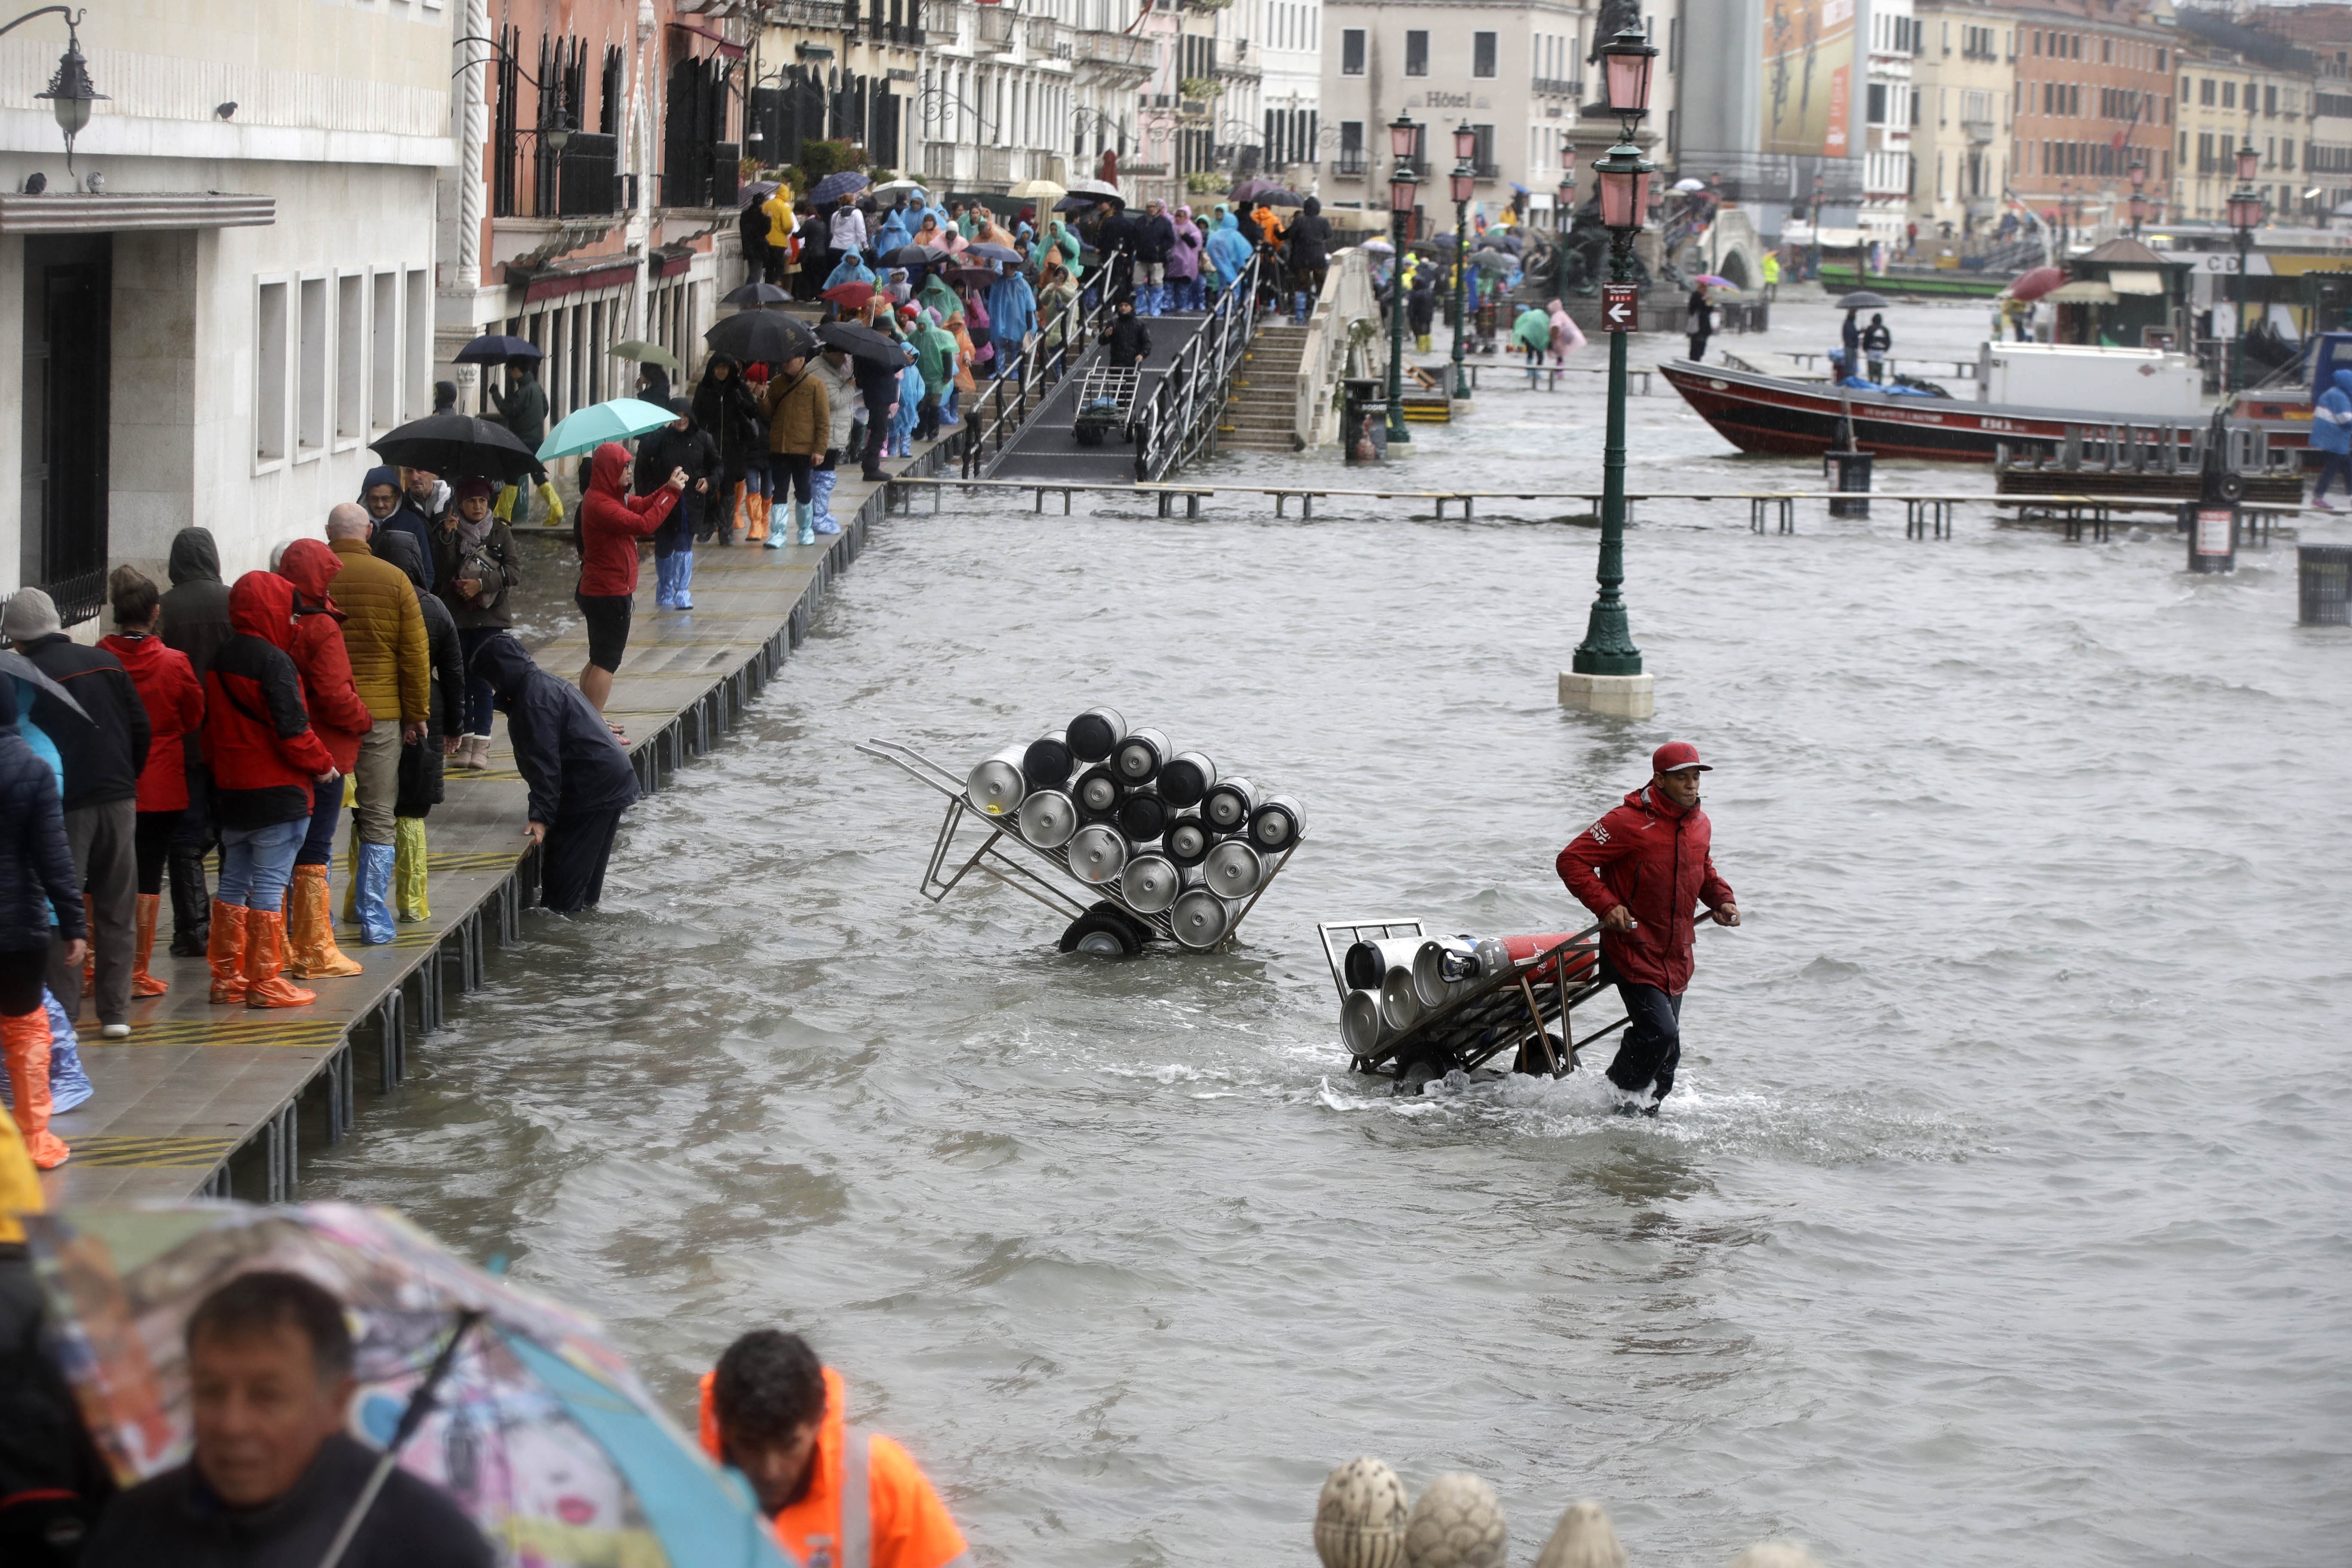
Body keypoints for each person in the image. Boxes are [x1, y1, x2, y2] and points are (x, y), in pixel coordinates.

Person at [80, 1271, 494, 1568]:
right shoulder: (133, 1525)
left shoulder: (432, 1544)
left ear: (336, 1402)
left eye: (267, 1397)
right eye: (210, 1391)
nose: (231, 1424)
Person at [1555, 741, 1740, 1116]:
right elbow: (1571, 861)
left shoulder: (1700, 824)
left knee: (1669, 1055)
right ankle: (1614, 1103)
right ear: (1659, 779)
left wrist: (1721, 899)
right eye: (1682, 778)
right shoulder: (1626, 822)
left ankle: (1640, 1123)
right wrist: (1607, 906)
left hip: (1677, 953)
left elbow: (1703, 870)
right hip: (1632, 950)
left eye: (1696, 778)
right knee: (1660, 1034)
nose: (1692, 785)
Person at [3, 588, 149, 1041]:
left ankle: (62, 1016)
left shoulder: (26, 675)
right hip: (120, 798)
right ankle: (115, 1013)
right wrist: (127, 777)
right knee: (117, 907)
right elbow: (141, 727)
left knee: (55, 910)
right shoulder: (107, 661)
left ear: (16, 638)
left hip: (66, 805)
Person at [698, 1329, 968, 1568]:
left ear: (820, 1421)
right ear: (722, 1426)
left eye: (790, 1445)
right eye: (750, 1446)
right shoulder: (677, 1481)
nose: (770, 1471)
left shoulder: (880, 1478)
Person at [202, 573, 341, 1010]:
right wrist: (325, 766)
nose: (294, 618)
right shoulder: (275, 662)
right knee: (269, 884)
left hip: (232, 790)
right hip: (276, 792)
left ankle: (227, 976)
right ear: (272, 610)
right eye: (289, 610)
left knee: (232, 882)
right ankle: (265, 980)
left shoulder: (220, 657)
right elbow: (294, 731)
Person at [469, 634, 639, 913]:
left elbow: (545, 764)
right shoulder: (542, 684)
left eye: (488, 679)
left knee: (561, 894)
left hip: (593, 789)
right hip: (609, 780)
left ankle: (566, 943)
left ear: (498, 675)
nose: (488, 687)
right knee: (586, 888)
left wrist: (540, 817)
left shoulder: (533, 701)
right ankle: (582, 928)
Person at [323, 504, 429, 946]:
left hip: (328, 716)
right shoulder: (396, 579)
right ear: (369, 531)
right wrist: (416, 714)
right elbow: (415, 655)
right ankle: (374, 919)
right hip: (383, 716)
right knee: (379, 815)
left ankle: (315, 921)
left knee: (321, 820)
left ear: (328, 533)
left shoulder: (317, 578)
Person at [96, 568, 203, 1002]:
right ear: (155, 612)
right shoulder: (174, 662)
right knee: (147, 874)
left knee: (99, 871)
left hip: (111, 775)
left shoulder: (101, 658)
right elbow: (195, 713)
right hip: (162, 779)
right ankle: (136, 970)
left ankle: (92, 965)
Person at [269, 540, 371, 980]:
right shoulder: (323, 628)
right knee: (316, 848)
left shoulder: (278, 622)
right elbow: (334, 693)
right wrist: (363, 719)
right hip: (327, 749)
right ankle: (314, 946)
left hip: (288, 749)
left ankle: (281, 942)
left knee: (283, 849)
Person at [0, 676, 83, 1169]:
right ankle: (33, 1139)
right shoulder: (31, 769)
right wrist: (73, 923)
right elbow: (54, 858)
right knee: (26, 1027)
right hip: (18, 930)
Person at [371, 532, 464, 922]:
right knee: (412, 809)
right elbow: (455, 671)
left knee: (370, 810)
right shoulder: (436, 608)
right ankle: (413, 904)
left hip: (376, 711)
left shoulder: (368, 602)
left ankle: (362, 905)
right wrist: (457, 726)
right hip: (428, 711)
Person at [158, 527, 232, 958]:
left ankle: (192, 929)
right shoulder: (230, 601)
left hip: (183, 739)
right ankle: (228, 921)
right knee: (229, 832)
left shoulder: (164, 609)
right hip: (226, 735)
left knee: (185, 837)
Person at [576, 441, 684, 718]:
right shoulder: (601, 504)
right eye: (624, 467)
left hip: (605, 591)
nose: (629, 472)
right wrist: (672, 494)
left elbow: (645, 505)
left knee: (598, 659)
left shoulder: (610, 497)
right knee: (606, 662)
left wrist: (668, 487)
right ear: (610, 470)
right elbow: (645, 524)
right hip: (607, 594)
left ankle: (588, 719)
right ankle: (594, 726)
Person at [432, 478, 521, 770]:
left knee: (483, 681)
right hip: (458, 618)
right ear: (460, 504)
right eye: (471, 501)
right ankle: (464, 743)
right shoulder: (450, 532)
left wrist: (481, 584)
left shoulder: (500, 531)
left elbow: (513, 573)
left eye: (482, 501)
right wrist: (447, 538)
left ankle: (482, 744)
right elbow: (442, 574)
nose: (478, 507)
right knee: (459, 681)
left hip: (490, 618)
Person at [636, 398, 719, 606]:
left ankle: (682, 592)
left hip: (689, 504)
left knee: (684, 547)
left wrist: (710, 482)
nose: (681, 420)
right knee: (663, 548)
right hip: (663, 504)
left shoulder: (704, 440)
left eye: (685, 415)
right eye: (677, 415)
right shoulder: (659, 440)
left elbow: (718, 466)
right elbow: (643, 460)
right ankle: (665, 588)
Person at [762, 351, 831, 550]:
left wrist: (820, 449)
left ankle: (805, 529)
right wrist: (762, 398)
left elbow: (823, 421)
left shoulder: (815, 385)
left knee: (803, 490)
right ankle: (778, 532)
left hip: (804, 449)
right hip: (780, 447)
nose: (785, 364)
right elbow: (768, 413)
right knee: (780, 490)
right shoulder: (776, 383)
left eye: (789, 360)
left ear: (801, 360)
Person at [693, 352, 763, 548]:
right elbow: (696, 416)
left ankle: (726, 531)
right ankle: (709, 523)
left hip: (734, 448)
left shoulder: (738, 387)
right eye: (718, 367)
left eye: (725, 367)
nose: (722, 371)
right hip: (710, 447)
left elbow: (753, 412)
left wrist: (741, 400)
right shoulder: (704, 389)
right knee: (707, 487)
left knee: (728, 490)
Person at [486, 361, 561, 528]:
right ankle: (557, 510)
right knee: (537, 474)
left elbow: (509, 410)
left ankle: (503, 517)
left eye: (509, 370)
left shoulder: (523, 391)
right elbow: (546, 408)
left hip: (521, 441)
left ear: (516, 369)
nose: (509, 374)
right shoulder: (537, 388)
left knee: (512, 477)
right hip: (536, 439)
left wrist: (495, 394)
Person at [810, 344, 859, 536]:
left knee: (823, 475)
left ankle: (820, 513)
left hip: (831, 431)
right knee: (822, 476)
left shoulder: (829, 368)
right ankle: (818, 517)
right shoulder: (821, 371)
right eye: (842, 354)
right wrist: (850, 387)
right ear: (832, 353)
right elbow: (835, 400)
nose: (845, 359)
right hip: (826, 433)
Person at [356, 466, 435, 573]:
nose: (380, 505)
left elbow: (426, 570)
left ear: (397, 496)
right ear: (366, 498)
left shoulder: (412, 523)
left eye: (386, 499)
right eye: (374, 499)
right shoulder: (356, 523)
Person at [1281, 195, 1333, 323]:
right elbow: (1329, 235)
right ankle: (1320, 315)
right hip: (1319, 258)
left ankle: (1300, 316)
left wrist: (1279, 234)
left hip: (1302, 258)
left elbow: (1290, 235)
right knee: (1321, 286)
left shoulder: (1299, 221)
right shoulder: (1324, 221)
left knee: (1302, 287)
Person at [984, 265, 1035, 378]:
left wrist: (1029, 324)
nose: (1003, 270)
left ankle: (1015, 371)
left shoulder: (1022, 284)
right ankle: (1000, 371)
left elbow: (1029, 305)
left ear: (1013, 269)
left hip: (1017, 321)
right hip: (1000, 320)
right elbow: (989, 296)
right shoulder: (998, 282)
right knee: (999, 346)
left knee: (1016, 347)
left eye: (1006, 267)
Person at [2312, 369, 2352, 510]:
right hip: (2334, 439)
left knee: (2348, 466)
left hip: (2332, 438)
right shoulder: (2339, 396)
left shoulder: (2335, 393)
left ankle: (2350, 497)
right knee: (2332, 468)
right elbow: (2345, 419)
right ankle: (2318, 497)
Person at [1512, 301, 1554, 384]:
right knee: (1540, 356)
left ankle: (1530, 372)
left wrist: (1523, 340)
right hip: (1539, 341)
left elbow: (1523, 331)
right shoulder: (1542, 321)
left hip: (1530, 341)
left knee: (1530, 355)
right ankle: (1538, 372)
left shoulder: (1526, 320)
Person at [1105, 296, 1151, 369]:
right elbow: (1102, 341)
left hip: (1133, 364)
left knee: (1131, 380)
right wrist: (1106, 335)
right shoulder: (1113, 323)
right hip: (1116, 364)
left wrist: (1142, 355)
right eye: (1121, 306)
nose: (1123, 308)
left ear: (1131, 307)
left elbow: (1147, 343)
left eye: (1126, 305)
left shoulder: (1140, 324)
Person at [739, 189, 771, 288]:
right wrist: (768, 218)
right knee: (756, 275)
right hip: (758, 248)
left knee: (754, 272)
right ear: (763, 203)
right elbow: (765, 231)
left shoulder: (745, 215)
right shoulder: (761, 216)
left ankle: (750, 297)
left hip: (748, 247)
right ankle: (749, 297)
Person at [1686, 282, 1713, 363]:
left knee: (1702, 349)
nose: (1705, 290)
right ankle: (1693, 362)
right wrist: (1702, 301)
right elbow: (1692, 310)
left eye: (1706, 289)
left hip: (1705, 328)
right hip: (1697, 328)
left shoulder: (1707, 298)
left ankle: (1698, 360)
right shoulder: (1695, 296)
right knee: (1695, 349)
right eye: (1703, 288)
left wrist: (1709, 302)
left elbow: (1709, 311)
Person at [1861, 312, 1892, 383]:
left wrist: (1865, 349)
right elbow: (1889, 341)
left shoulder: (1870, 329)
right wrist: (1885, 349)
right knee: (1879, 368)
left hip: (1871, 351)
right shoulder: (1885, 330)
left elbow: (1866, 340)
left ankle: (1871, 382)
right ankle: (1879, 382)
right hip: (1881, 352)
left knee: (1871, 369)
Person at [1839, 308, 1862, 378]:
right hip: (1850, 347)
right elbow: (1852, 335)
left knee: (1852, 365)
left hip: (1852, 346)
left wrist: (1860, 332)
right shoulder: (1848, 324)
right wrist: (1858, 333)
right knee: (1849, 365)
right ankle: (1848, 378)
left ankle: (1850, 377)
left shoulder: (1851, 324)